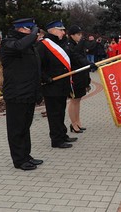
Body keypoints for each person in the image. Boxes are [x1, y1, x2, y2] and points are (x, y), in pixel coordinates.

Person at [0, 18, 43, 170]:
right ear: (21, 29)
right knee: (16, 129)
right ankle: (19, 160)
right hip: (16, 94)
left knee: (25, 127)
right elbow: (20, 46)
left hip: (29, 93)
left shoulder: (30, 46)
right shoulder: (8, 43)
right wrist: (34, 33)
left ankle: (26, 155)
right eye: (29, 29)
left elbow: (35, 69)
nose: (32, 33)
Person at [36, 20, 77, 149]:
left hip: (62, 85)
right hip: (51, 86)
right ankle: (56, 140)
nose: (63, 32)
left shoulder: (60, 44)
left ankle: (62, 134)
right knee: (54, 114)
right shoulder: (43, 45)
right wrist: (45, 78)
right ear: (52, 30)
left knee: (60, 112)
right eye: (61, 30)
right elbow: (37, 66)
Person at [66, 25, 95, 133]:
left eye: (80, 34)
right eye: (78, 34)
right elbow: (76, 58)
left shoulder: (78, 44)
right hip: (74, 77)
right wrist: (89, 64)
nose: (80, 36)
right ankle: (73, 124)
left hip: (81, 76)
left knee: (78, 100)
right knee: (73, 100)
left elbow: (82, 57)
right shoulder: (69, 46)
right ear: (72, 35)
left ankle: (77, 122)